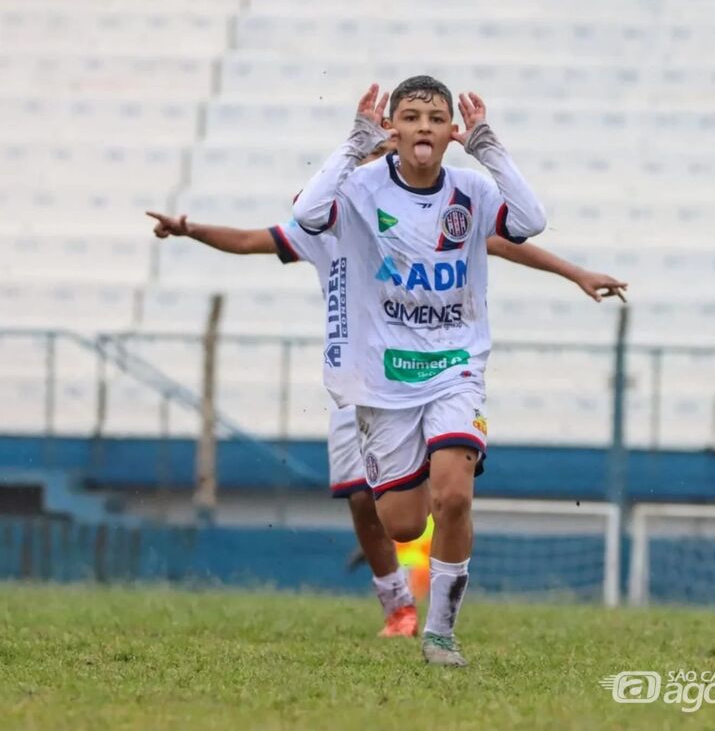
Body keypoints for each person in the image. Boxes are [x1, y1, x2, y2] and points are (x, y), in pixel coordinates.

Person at [147, 152, 626, 645]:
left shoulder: (425, 218)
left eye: (385, 153)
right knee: (364, 502)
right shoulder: (329, 221)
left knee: (448, 491)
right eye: (371, 153)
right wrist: (190, 229)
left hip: (433, 371)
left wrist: (575, 273)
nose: (378, 164)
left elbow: (500, 242)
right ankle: (397, 603)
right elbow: (250, 240)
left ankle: (437, 612)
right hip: (361, 382)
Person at [291, 75, 575, 665]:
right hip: (384, 378)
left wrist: (490, 147)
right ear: (392, 128)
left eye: (435, 117)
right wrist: (352, 143)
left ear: (451, 130)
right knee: (400, 523)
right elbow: (307, 216)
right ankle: (419, 460)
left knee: (454, 498)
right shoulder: (363, 186)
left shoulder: (471, 189)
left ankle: (441, 631)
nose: (424, 126)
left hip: (456, 365)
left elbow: (532, 219)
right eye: (411, 116)